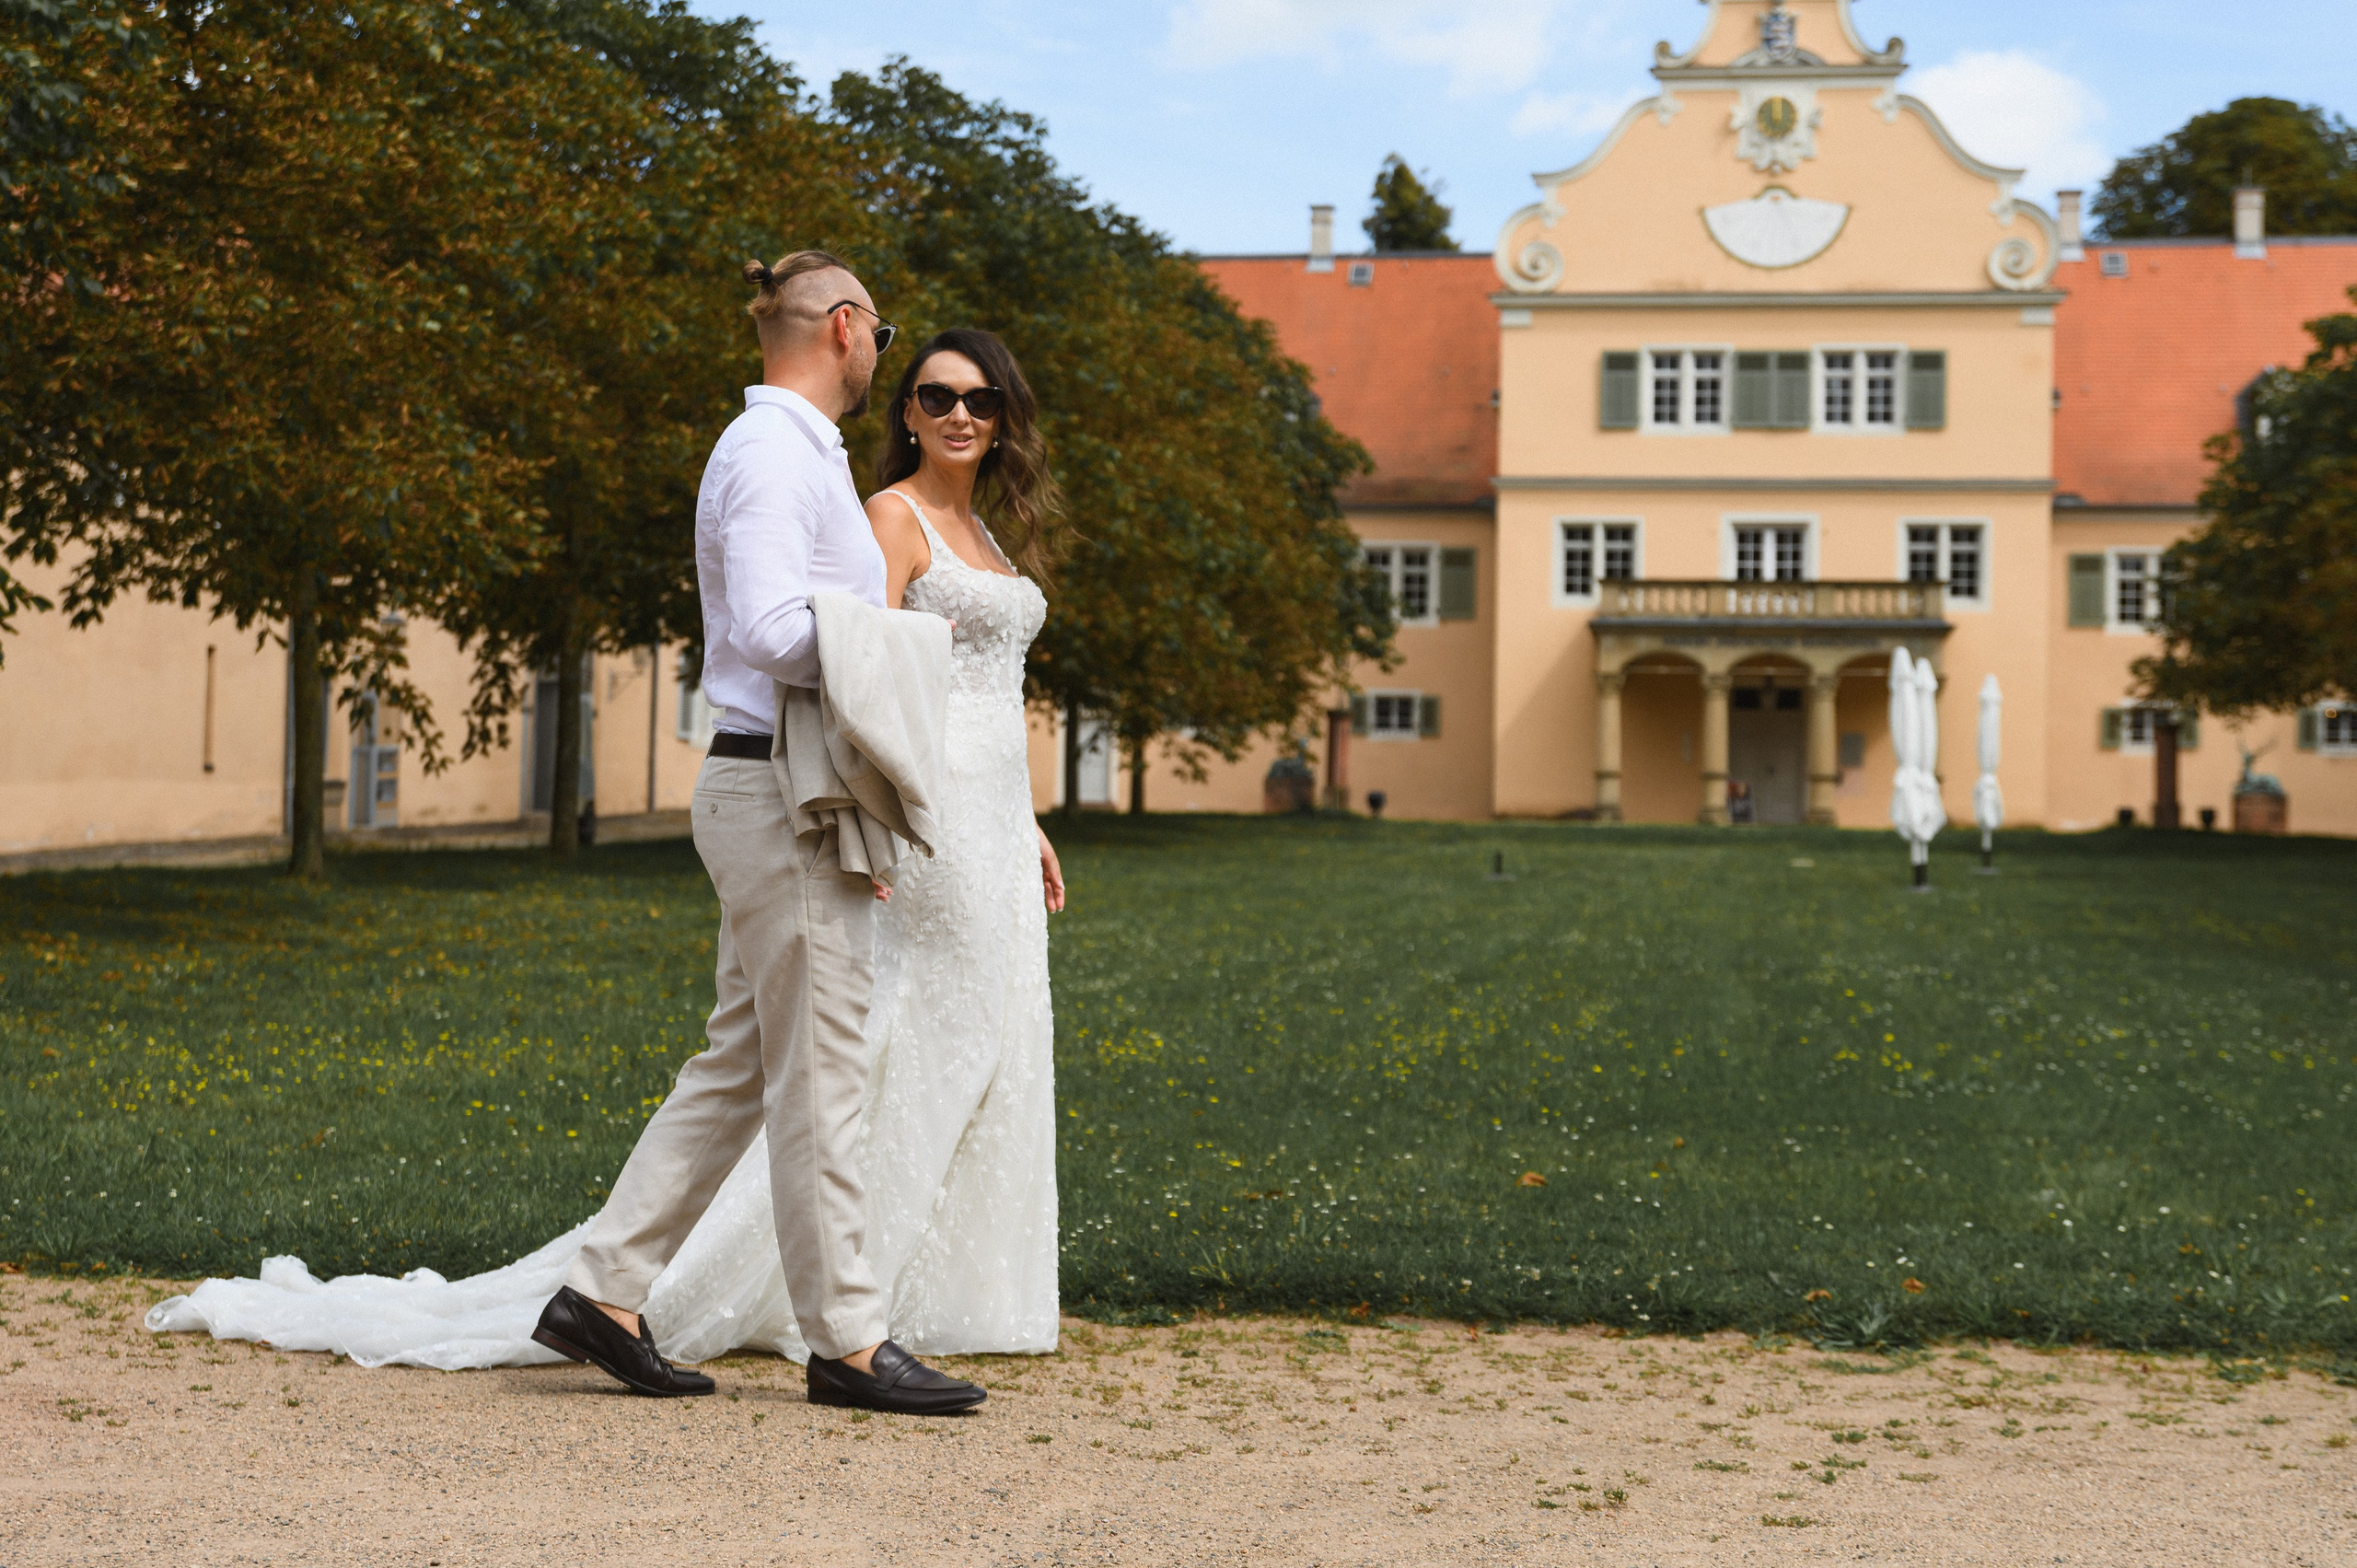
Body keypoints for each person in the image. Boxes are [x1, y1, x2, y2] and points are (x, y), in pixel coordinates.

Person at [144, 293, 1068, 1404]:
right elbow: (778, 630)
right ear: (843, 324)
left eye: (975, 395)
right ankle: (851, 1342)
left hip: (768, 778)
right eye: (898, 355)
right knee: (820, 1074)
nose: (904, 372)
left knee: (738, 1067)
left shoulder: (789, 449)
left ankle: (604, 1292)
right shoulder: (779, 456)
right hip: (775, 781)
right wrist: (911, 653)